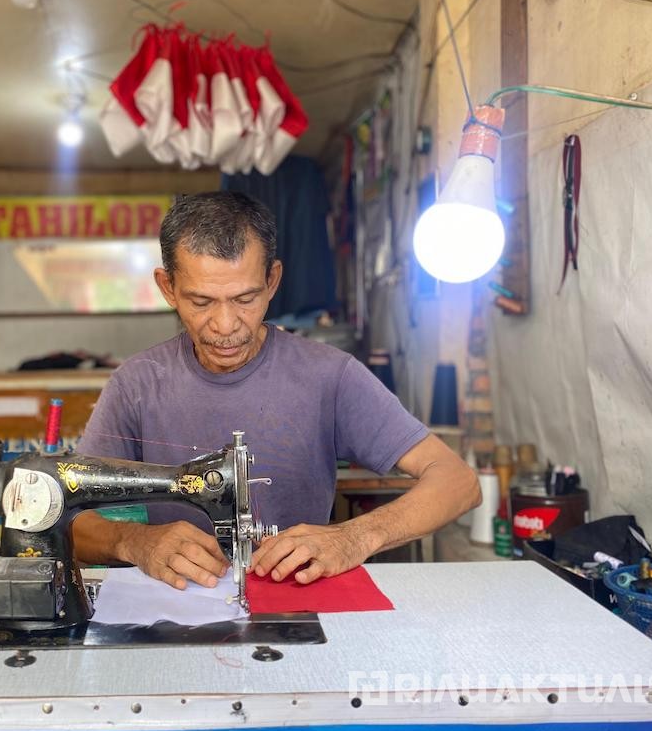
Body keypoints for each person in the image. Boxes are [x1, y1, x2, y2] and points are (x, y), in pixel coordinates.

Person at [73, 191, 479, 589]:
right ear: (168, 288)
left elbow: (458, 482)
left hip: (294, 604)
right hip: (175, 612)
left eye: (245, 298)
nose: (226, 324)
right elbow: (72, 521)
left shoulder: (329, 376)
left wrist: (355, 537)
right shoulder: (136, 385)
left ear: (272, 281)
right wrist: (135, 542)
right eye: (201, 302)